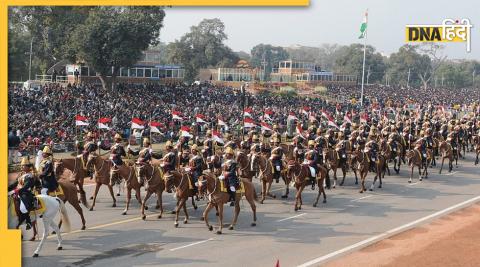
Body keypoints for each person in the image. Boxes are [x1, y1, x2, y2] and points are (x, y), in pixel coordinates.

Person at [8, 157, 36, 229]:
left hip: (25, 193)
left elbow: (26, 186)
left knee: (23, 208)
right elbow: (15, 183)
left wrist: (17, 190)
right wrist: (7, 189)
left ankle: (28, 221)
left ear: (28, 167)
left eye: (23, 166)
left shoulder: (30, 176)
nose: (22, 167)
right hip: (18, 192)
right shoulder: (21, 174)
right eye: (21, 165)